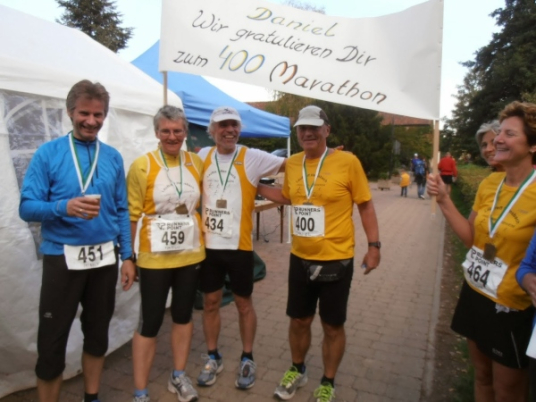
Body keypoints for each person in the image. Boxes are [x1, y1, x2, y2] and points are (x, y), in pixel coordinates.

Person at [18, 80, 136, 402]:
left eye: (98, 115)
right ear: (70, 112)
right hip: (62, 259)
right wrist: (63, 207)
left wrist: (127, 256)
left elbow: (121, 209)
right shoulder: (49, 153)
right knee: (51, 343)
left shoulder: (112, 157)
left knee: (97, 336)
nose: (91, 121)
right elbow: (26, 207)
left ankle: (91, 397)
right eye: (84, 113)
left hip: (104, 260)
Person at [259, 105, 381, 402]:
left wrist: (374, 246)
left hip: (337, 258)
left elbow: (365, 205)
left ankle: (328, 381)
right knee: (298, 320)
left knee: (332, 325)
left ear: (327, 130)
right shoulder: (293, 163)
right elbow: (287, 197)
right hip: (300, 257)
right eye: (302, 128)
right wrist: (255, 187)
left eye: (314, 127)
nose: (308, 133)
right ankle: (297, 369)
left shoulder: (348, 162)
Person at [427, 101, 536, 402]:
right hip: (475, 292)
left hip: (511, 306)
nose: (498, 140)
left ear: (533, 145)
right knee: (482, 377)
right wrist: (444, 200)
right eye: (500, 133)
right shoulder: (490, 183)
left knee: (508, 391)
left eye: (509, 134)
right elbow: (471, 239)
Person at [196, 106, 286, 390]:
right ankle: (213, 356)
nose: (229, 130)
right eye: (223, 125)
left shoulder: (252, 156)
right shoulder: (202, 156)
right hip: (209, 247)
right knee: (210, 303)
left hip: (240, 247)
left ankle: (248, 357)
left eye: (234, 125)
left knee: (243, 304)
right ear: (212, 131)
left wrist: (325, 156)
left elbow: (290, 164)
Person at [127, 106, 204, 402]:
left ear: (185, 132)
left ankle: (178, 376)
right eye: (166, 131)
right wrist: (128, 257)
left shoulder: (196, 162)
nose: (172, 137)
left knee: (183, 316)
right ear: (156, 133)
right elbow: (131, 214)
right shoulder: (142, 165)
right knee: (150, 323)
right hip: (154, 258)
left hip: (189, 255)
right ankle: (140, 392)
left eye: (177, 131)